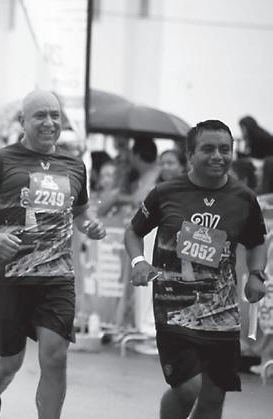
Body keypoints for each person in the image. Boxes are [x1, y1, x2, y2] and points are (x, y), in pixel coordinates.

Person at [0, 89, 105, 419]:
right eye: (40, 115)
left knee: (55, 357)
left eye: (55, 115)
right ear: (23, 121)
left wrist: (90, 225)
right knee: (10, 363)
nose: (49, 122)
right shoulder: (0, 161)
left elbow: (80, 212)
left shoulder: (74, 165)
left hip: (56, 277)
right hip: (8, 277)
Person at [124, 120, 268, 419]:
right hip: (174, 308)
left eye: (225, 149)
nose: (218, 156)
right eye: (208, 149)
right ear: (190, 155)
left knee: (213, 397)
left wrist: (256, 274)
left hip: (221, 311)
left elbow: (256, 242)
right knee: (188, 388)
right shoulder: (166, 193)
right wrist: (139, 262)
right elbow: (133, 231)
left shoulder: (243, 198)